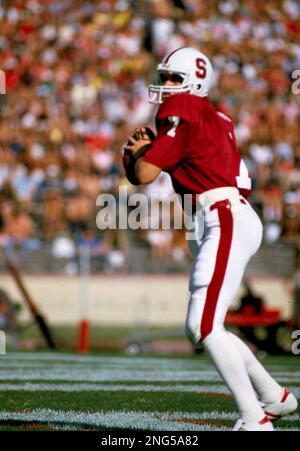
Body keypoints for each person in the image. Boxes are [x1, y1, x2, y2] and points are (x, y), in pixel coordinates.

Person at [123, 47, 298, 431]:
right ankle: (276, 397)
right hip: (223, 216)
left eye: (173, 78)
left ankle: (255, 418)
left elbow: (145, 175)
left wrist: (132, 156)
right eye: (165, 77)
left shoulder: (184, 107)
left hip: (221, 216)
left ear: (193, 81)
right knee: (208, 326)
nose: (166, 85)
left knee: (202, 326)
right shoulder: (217, 116)